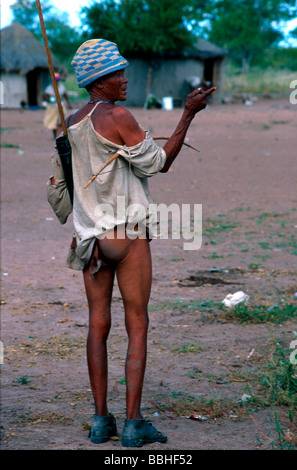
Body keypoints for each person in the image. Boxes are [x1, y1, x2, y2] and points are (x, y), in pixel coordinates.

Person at [48, 39, 215, 447]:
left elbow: (59, 187)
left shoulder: (69, 122)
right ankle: (133, 425)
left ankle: (100, 421)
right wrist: (187, 115)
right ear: (98, 81)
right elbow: (159, 164)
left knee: (97, 326)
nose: (125, 79)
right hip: (126, 236)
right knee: (137, 324)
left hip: (89, 240)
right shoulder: (118, 115)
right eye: (117, 74)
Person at [43, 73, 72, 139]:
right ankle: (54, 135)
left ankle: (59, 135)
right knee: (53, 122)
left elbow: (65, 95)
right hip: (52, 106)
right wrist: (50, 99)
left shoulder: (62, 87)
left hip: (61, 106)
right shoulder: (49, 88)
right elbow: (46, 96)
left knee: (61, 121)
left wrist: (68, 103)